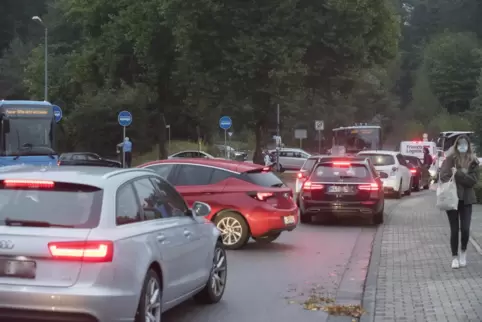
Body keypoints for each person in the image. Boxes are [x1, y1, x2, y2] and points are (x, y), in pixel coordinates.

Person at [439, 135, 479, 269]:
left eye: (465, 144)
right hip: (452, 199)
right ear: (456, 145)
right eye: (460, 144)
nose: (462, 146)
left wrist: (458, 174)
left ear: (468, 145)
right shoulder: (451, 159)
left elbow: (472, 181)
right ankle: (454, 257)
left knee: (466, 229)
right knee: (454, 230)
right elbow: (444, 175)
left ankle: (463, 251)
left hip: (467, 200)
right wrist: (461, 176)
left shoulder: (473, 161)